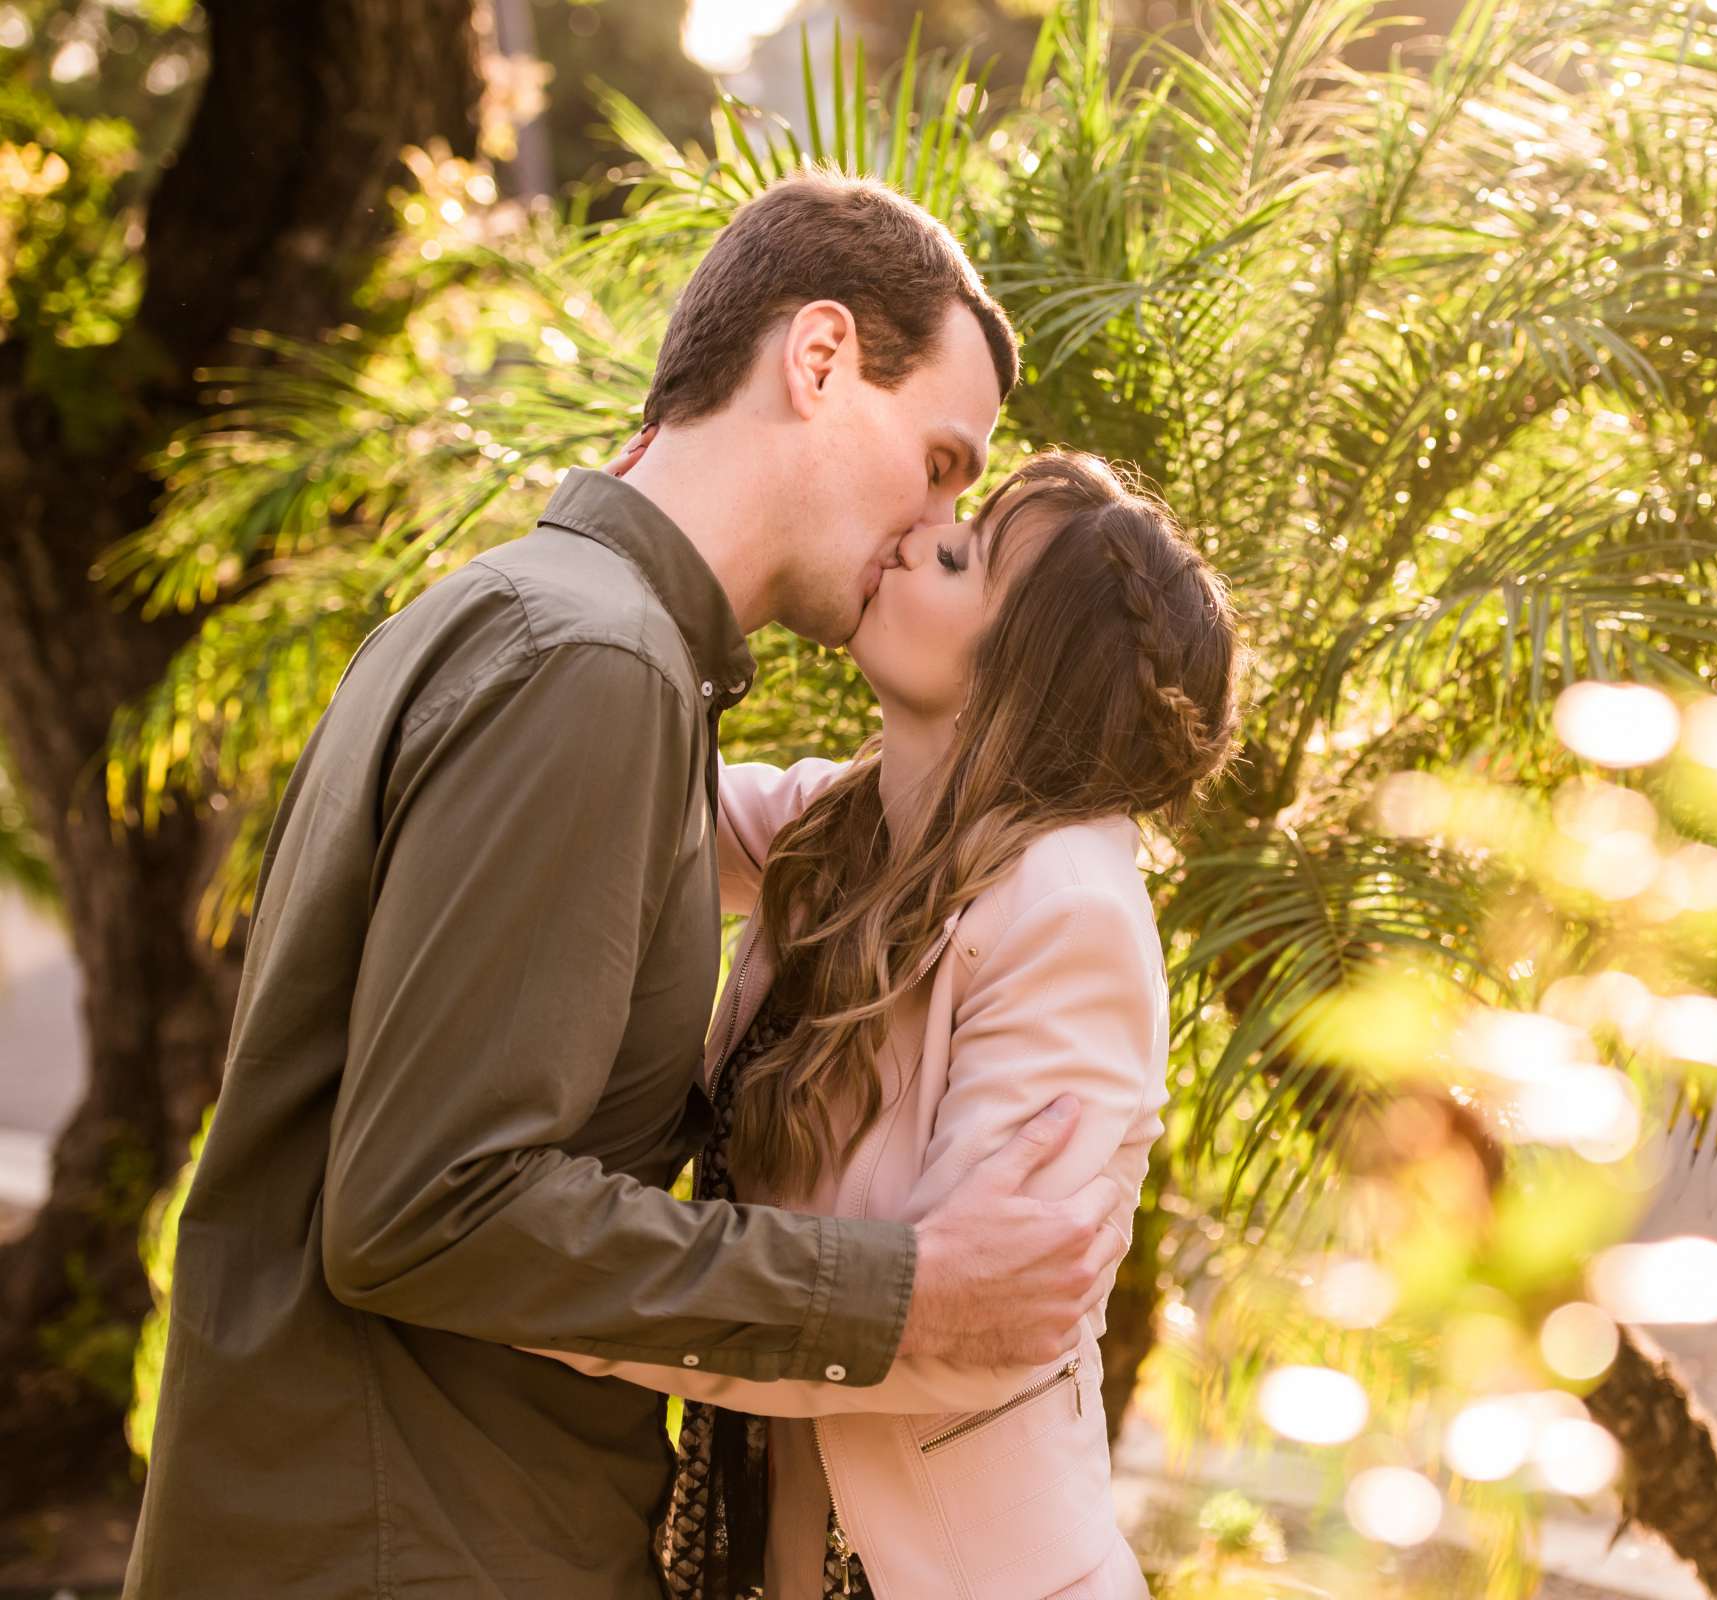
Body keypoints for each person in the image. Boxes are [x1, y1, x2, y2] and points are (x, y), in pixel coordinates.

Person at [128, 174, 1125, 1600]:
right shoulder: (591, 666)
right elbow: (433, 1207)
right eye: (943, 460)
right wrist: (905, 1300)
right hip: (414, 1550)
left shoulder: (535, 623)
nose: (931, 517)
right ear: (821, 358)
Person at [544, 448, 1243, 1599]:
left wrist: (541, 1280)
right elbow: (647, 792)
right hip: (753, 1545)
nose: (919, 532)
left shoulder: (1068, 910)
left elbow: (965, 1319)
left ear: (1020, 673)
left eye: (962, 554)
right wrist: (627, 528)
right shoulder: (856, 824)